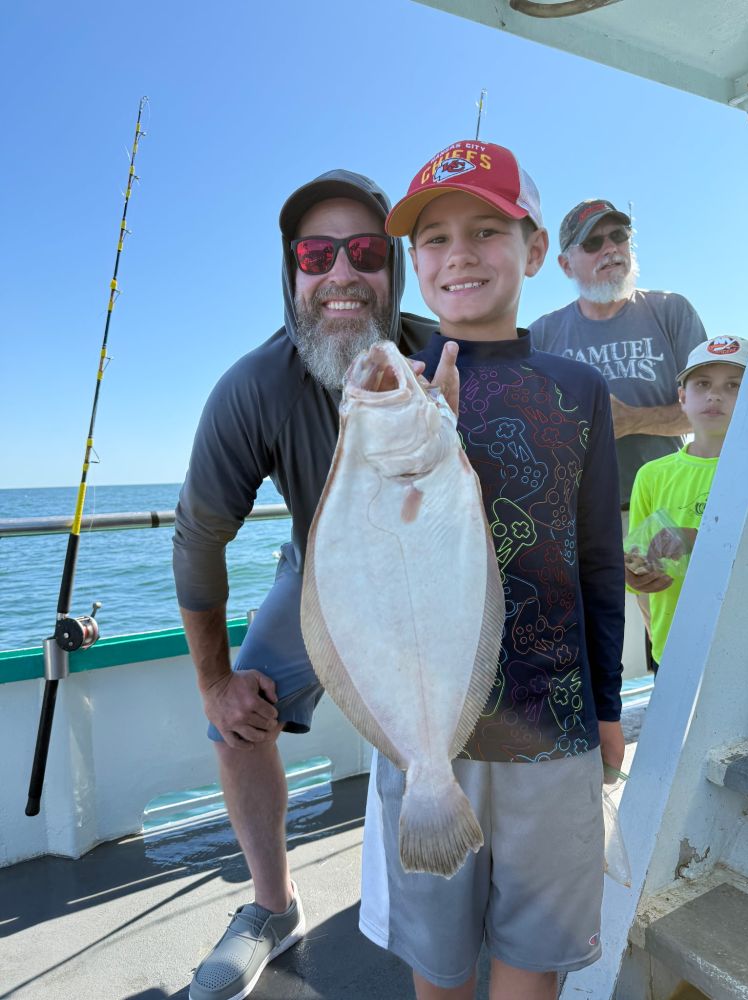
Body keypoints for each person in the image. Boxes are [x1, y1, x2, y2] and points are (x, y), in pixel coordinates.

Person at [358, 141, 625, 1000]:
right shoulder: (383, 391)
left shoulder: (577, 387)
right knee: (437, 969)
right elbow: (360, 565)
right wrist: (396, 421)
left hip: (554, 724)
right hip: (426, 735)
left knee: (530, 963)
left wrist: (611, 707)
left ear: (536, 250)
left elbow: (595, 560)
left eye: (485, 230)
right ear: (411, 264)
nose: (459, 254)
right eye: (432, 239)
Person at [172, 169, 437, 1000]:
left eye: (364, 251)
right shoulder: (255, 387)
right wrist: (215, 682)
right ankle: (271, 905)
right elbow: (198, 538)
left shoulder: (449, 355)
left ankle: (465, 888)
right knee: (237, 723)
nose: (340, 274)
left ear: (392, 270)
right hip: (318, 571)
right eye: (316, 255)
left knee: (451, 728)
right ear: (291, 275)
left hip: (441, 575)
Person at [529, 199, 707, 671]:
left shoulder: (671, 311)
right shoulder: (544, 333)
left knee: (674, 638)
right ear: (566, 262)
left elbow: (710, 413)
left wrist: (631, 420)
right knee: (592, 648)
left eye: (619, 236)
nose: (610, 249)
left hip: (665, 510)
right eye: (593, 242)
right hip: (584, 519)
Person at [625, 335, 748, 672]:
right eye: (703, 383)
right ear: (682, 397)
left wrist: (699, 539)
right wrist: (636, 575)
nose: (715, 394)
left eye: (735, 385)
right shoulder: (651, 475)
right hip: (674, 652)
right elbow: (636, 563)